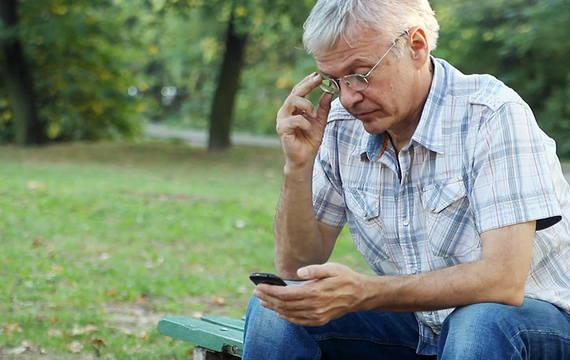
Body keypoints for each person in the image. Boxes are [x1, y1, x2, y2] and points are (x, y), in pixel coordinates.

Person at [242, 0, 570, 359]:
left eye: (361, 74)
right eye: (336, 82)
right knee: (279, 312)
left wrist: (366, 291)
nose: (349, 97)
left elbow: (503, 280)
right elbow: (296, 267)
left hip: (534, 320)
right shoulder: (340, 127)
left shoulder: (492, 115)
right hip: (419, 323)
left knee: (480, 321)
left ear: (416, 45)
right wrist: (297, 167)